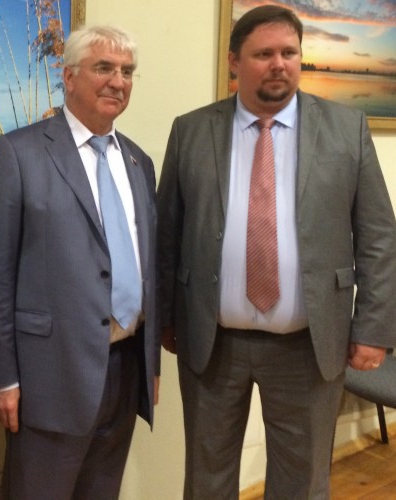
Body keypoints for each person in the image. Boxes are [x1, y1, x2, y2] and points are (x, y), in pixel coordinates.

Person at [157, 5, 396, 499]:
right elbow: (167, 235)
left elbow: (378, 237)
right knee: (206, 479)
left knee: (302, 483)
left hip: (309, 346)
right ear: (234, 61)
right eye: (263, 54)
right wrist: (163, 317)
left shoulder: (346, 129)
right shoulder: (191, 131)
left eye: (289, 53)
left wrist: (373, 328)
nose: (279, 64)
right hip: (212, 344)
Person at [0, 25, 159, 500]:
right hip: (49, 376)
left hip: (126, 367)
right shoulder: (18, 153)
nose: (118, 81)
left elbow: (149, 267)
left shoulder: (139, 161)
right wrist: (2, 377)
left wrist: (151, 365)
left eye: (127, 72)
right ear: (69, 76)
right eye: (104, 68)